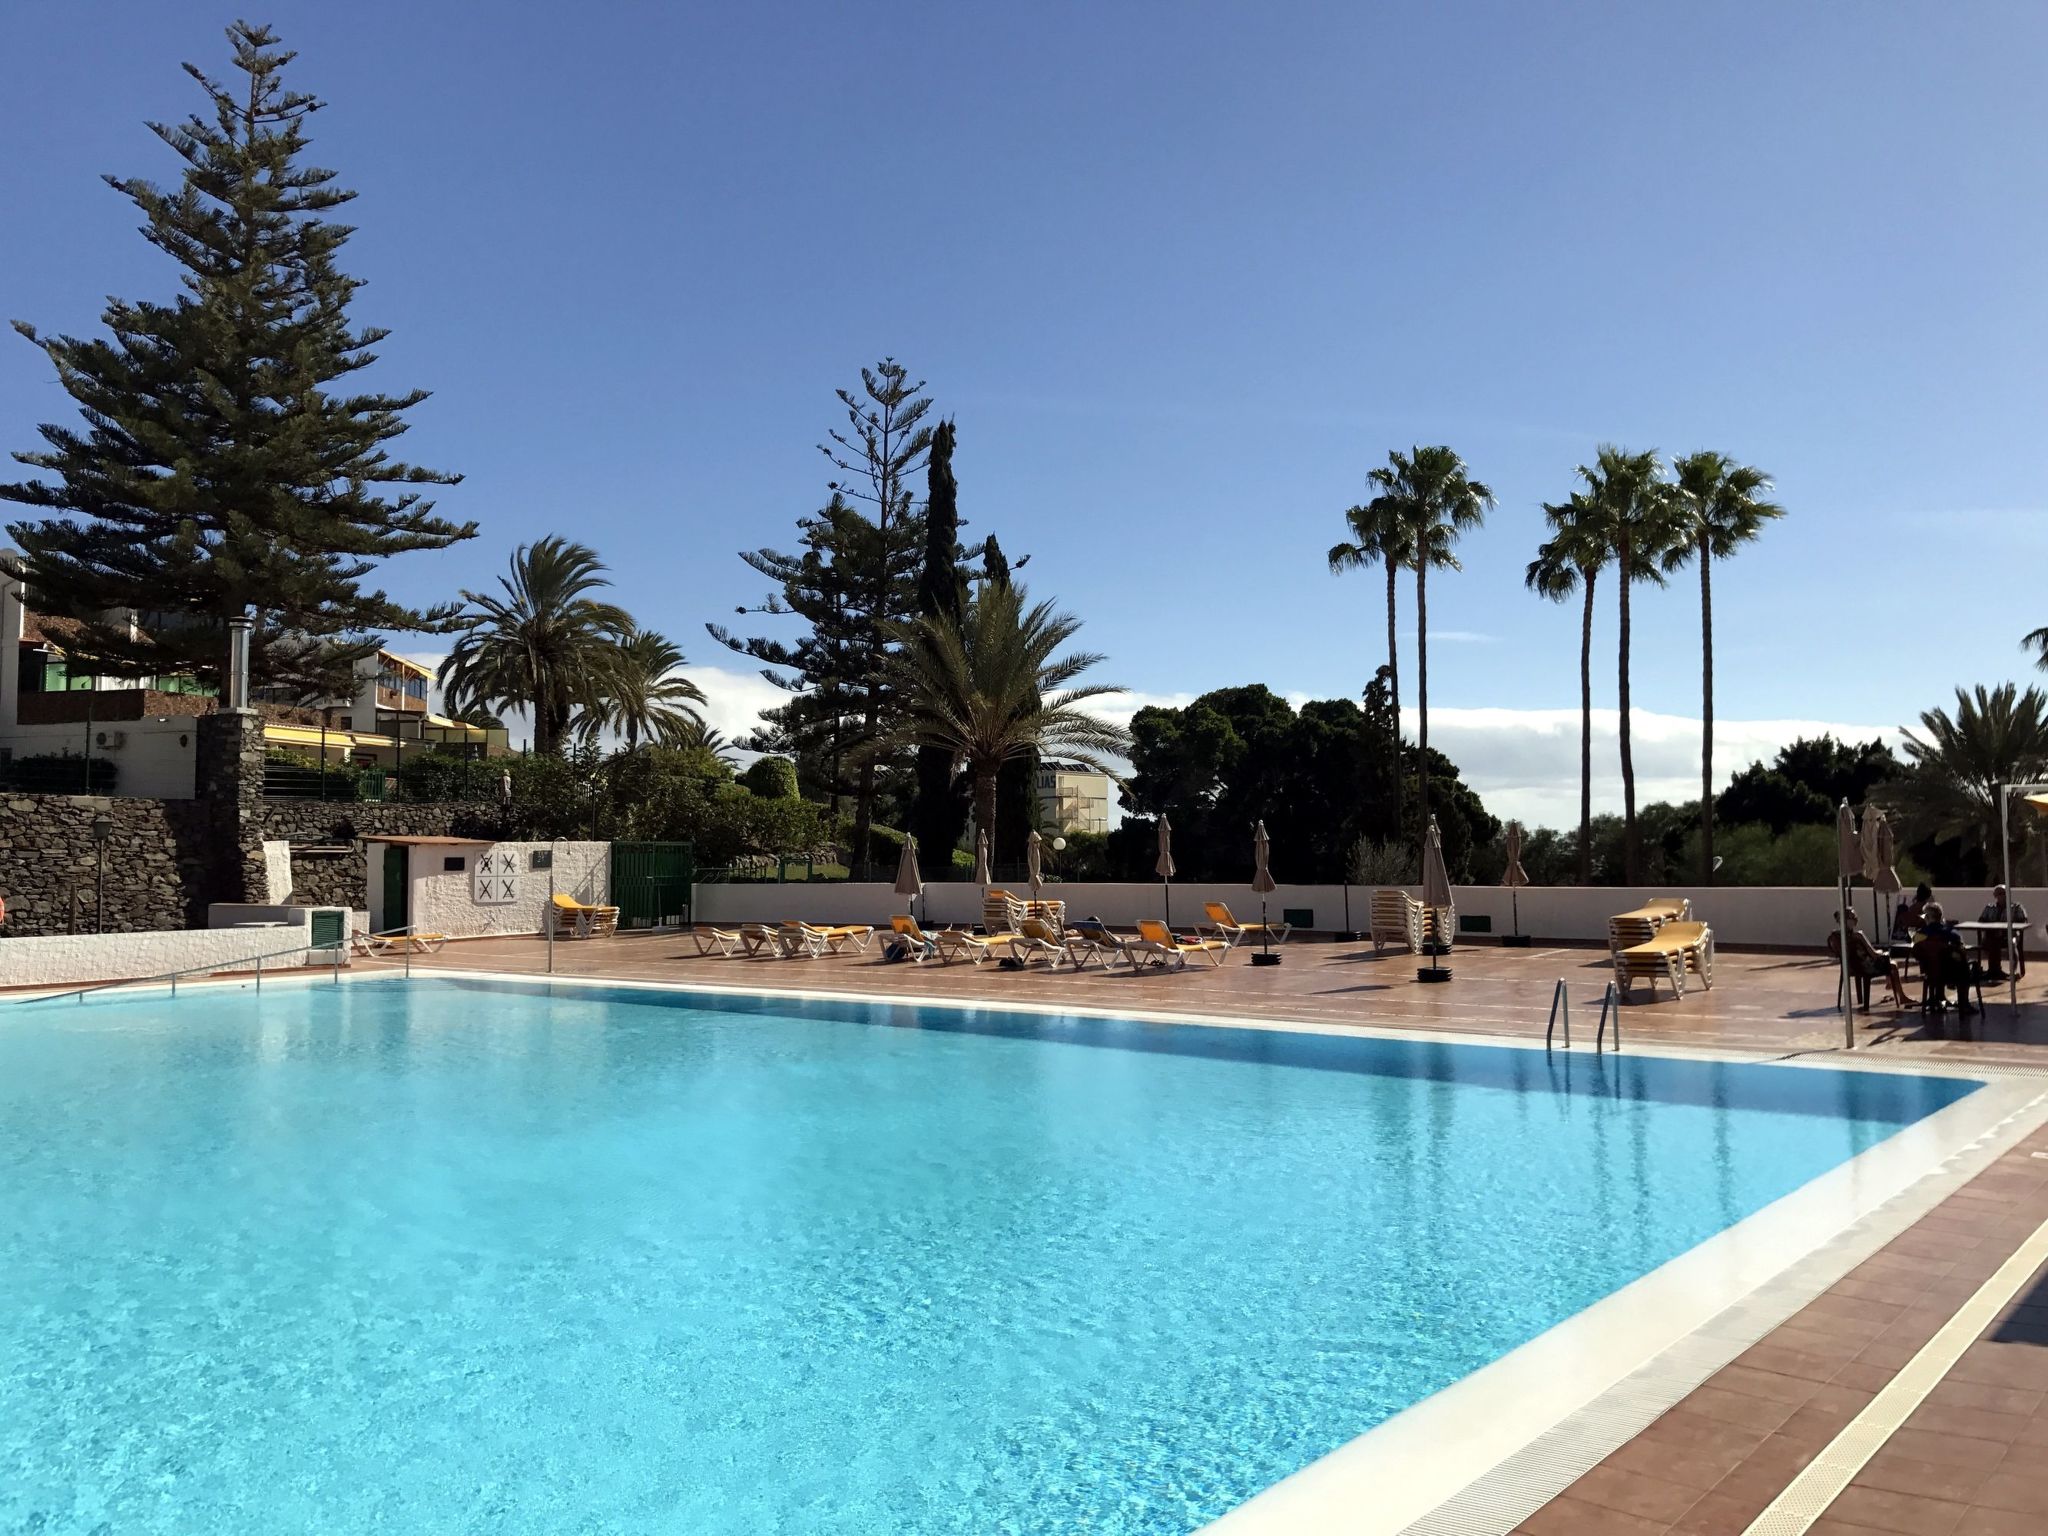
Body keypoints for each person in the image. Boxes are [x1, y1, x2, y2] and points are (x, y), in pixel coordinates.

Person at [1833, 910, 1910, 1010]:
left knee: (1887, 960)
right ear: (1845, 920)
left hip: (1850, 966)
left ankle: (1889, 982)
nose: (1856, 919)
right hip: (1865, 967)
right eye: (1852, 917)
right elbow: (1873, 954)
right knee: (1892, 964)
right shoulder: (1858, 935)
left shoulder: (1835, 936)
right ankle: (1901, 996)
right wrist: (1883, 952)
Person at [1915, 901, 1979, 1016]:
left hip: (1930, 973)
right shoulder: (1953, 934)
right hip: (1952, 974)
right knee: (1966, 965)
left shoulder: (1918, 935)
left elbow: (1916, 954)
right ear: (1940, 916)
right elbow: (1961, 953)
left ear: (1928, 917)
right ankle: (1964, 1003)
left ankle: (1937, 998)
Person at [1976, 885, 2029, 981]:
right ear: (1995, 896)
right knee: (1990, 942)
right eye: (1999, 894)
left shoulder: (2016, 907)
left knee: (2012, 944)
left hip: (2010, 935)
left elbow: (2023, 921)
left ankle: (2013, 972)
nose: (2002, 896)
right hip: (1993, 936)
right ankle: (1994, 971)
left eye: (2004, 893)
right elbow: (1981, 921)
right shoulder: (1989, 907)